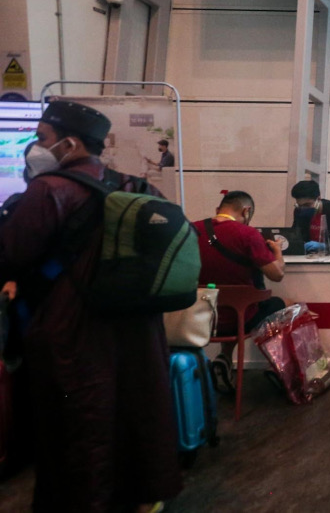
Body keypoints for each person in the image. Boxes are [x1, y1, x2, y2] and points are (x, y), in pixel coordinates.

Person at [0, 100, 181, 510]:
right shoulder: (139, 188)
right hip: (138, 325)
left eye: (42, 138)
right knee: (138, 409)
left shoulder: (50, 191)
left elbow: (13, 252)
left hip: (73, 327)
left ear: (70, 143)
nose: (34, 145)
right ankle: (143, 496)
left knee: (78, 421)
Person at [193, 190, 286, 393]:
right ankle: (278, 368)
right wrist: (277, 252)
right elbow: (277, 274)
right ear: (246, 211)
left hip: (202, 319)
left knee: (232, 308)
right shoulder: (248, 234)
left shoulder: (193, 229)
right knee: (277, 304)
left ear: (219, 209)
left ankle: (224, 359)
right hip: (240, 318)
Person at [290, 179, 330, 254]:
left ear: (318, 199)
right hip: (309, 256)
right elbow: (295, 234)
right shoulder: (299, 211)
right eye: (299, 205)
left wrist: (326, 246)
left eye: (307, 205)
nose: (303, 208)